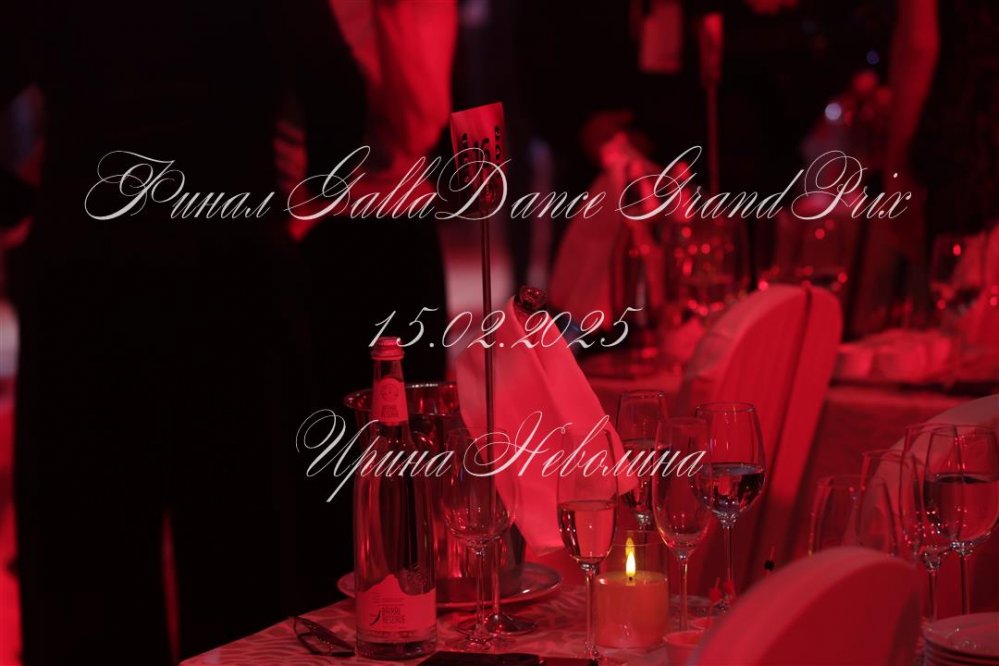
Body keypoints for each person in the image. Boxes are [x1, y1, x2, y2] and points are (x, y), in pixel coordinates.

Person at [3, 0, 365, 662]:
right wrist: (300, 206)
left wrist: (18, 207)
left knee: (88, 548)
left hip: (85, 264)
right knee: (242, 537)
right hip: (229, 258)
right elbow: (336, 87)